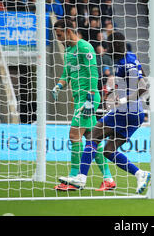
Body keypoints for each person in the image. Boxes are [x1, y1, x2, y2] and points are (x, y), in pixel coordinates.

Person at [61, 32, 151, 194]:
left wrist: (124, 100)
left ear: (116, 45)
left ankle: (81, 177)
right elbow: (144, 78)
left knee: (93, 136)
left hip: (127, 110)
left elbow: (143, 86)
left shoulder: (126, 63)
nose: (108, 49)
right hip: (135, 114)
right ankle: (140, 174)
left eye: (110, 46)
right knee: (109, 150)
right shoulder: (131, 57)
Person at [51, 19, 115, 191]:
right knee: (92, 140)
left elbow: (94, 73)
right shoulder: (68, 51)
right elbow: (66, 74)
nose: (58, 39)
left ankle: (73, 178)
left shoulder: (85, 47)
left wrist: (90, 96)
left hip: (88, 98)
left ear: (68, 31)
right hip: (79, 99)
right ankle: (108, 179)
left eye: (59, 35)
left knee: (74, 135)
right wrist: (58, 86)